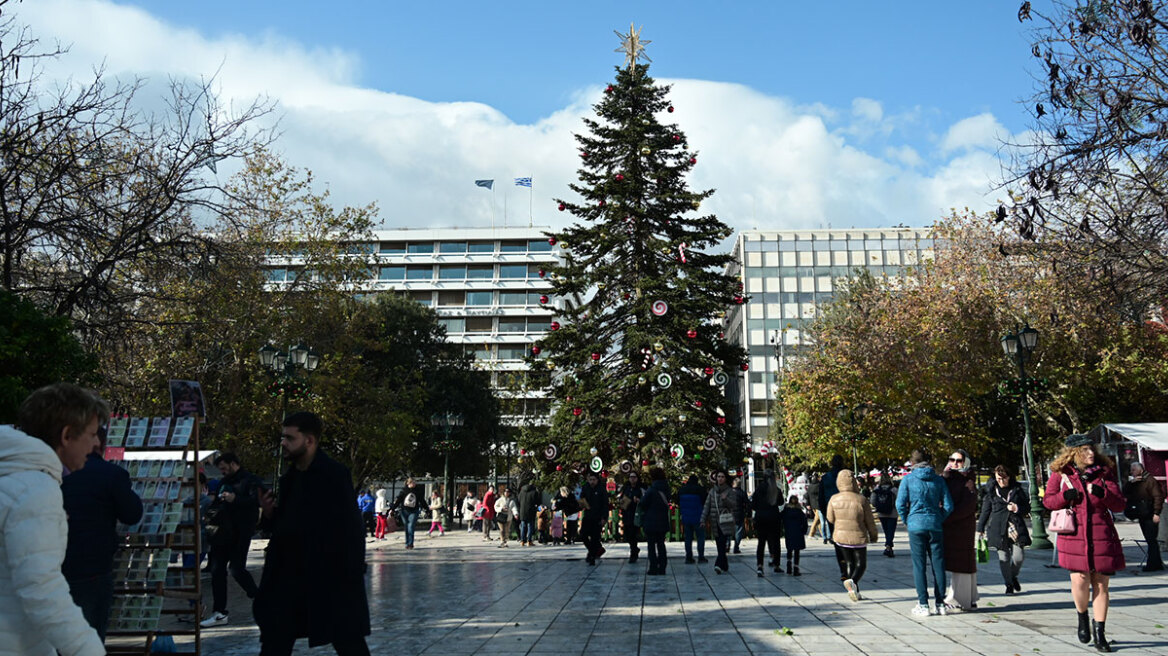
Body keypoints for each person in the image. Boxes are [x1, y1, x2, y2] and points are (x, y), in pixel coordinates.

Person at [2, 383, 108, 655]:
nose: (96, 444)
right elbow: (42, 589)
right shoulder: (35, 489)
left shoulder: (14, 476)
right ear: (66, 435)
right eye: (92, 434)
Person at [253, 411, 370, 655]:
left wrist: (349, 572)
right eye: (282, 437)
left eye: (289, 438)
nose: (283, 443)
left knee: (348, 640)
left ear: (309, 440)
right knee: (275, 640)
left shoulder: (334, 475)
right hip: (288, 579)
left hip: (328, 577)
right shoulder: (290, 479)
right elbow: (285, 526)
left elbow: (352, 528)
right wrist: (269, 514)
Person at [61, 421, 144, 640]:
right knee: (90, 634)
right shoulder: (111, 475)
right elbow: (132, 514)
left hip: (55, 563)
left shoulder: (53, 470)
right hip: (93, 565)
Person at [1043, 434, 1125, 652]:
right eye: (1085, 450)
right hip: (1074, 535)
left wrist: (1102, 493)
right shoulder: (1061, 474)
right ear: (1074, 453)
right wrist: (1065, 496)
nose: (1090, 453)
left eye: (1091, 449)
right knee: (1079, 580)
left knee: (1101, 583)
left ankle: (1100, 633)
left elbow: (1119, 505)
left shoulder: (1104, 472)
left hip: (1101, 534)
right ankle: (1082, 616)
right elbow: (1048, 502)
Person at [202, 452, 263, 628]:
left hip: (240, 532)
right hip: (222, 534)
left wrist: (235, 499)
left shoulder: (250, 480)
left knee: (237, 569)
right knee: (217, 571)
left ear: (233, 464)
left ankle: (260, 599)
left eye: (223, 468)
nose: (221, 471)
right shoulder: (224, 482)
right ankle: (219, 612)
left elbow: (256, 501)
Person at [896, 448, 954, 617]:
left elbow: (900, 504)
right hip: (935, 524)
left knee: (919, 565)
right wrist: (938, 517)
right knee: (938, 564)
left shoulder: (908, 480)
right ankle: (940, 603)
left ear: (912, 463)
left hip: (916, 525)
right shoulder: (938, 480)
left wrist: (909, 520)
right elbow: (949, 506)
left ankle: (923, 604)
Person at [978, 465, 1031, 596]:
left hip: (1015, 527)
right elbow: (985, 511)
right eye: (998, 479)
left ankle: (1013, 576)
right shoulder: (992, 492)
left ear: (1009, 477)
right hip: (998, 528)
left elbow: (1027, 507)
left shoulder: (1017, 489)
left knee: (1019, 557)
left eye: (1004, 478)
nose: (1001, 481)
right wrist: (980, 529)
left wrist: (1017, 508)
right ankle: (1008, 584)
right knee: (1004, 558)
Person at [827, 469, 879, 601]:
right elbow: (869, 520)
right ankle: (854, 582)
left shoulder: (833, 499)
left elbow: (830, 519)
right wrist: (873, 535)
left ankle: (854, 590)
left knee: (849, 563)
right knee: (861, 564)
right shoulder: (861, 499)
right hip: (858, 536)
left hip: (840, 536)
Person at [941, 449, 979, 612]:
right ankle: (968, 598)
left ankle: (959, 599)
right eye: (952, 460)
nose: (955, 463)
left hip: (962, 527)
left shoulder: (968, 480)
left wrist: (947, 517)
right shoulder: (950, 478)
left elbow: (967, 507)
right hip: (953, 527)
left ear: (966, 462)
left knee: (962, 563)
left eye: (959, 460)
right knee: (961, 563)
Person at [1123, 461, 1164, 572]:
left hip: (1150, 514)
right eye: (1131, 470)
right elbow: (1125, 493)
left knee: (1151, 540)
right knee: (1150, 539)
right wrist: (1130, 482)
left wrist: (1156, 512)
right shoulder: (1135, 482)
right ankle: (1157, 562)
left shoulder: (1150, 480)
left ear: (1140, 469)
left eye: (1134, 470)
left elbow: (1158, 496)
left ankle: (1153, 564)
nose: (1132, 472)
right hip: (1142, 514)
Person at [702, 470, 740, 574]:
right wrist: (703, 519)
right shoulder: (712, 491)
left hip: (725, 521)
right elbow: (707, 506)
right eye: (718, 476)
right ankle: (724, 564)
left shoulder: (730, 491)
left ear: (725, 478)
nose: (720, 478)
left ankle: (718, 564)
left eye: (722, 477)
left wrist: (725, 499)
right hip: (715, 521)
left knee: (723, 543)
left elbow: (734, 505)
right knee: (719, 544)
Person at [751, 469, 783, 577]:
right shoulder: (776, 490)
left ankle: (760, 566)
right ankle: (776, 564)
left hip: (761, 518)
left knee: (761, 543)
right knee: (776, 542)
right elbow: (781, 502)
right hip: (774, 517)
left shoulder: (759, 489)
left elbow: (753, 505)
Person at [640, 467, 671, 575]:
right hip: (662, 520)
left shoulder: (651, 490)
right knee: (661, 544)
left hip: (651, 521)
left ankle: (653, 567)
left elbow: (643, 504)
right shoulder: (666, 488)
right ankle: (662, 566)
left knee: (651, 545)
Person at [819, 455, 847, 578]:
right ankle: (848, 561)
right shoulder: (847, 476)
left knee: (836, 539)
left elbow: (820, 498)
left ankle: (843, 567)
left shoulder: (825, 478)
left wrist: (825, 512)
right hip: (846, 510)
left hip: (831, 511)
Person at [579, 472, 609, 564]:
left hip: (598, 517)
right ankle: (595, 550)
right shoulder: (586, 488)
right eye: (590, 479)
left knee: (594, 538)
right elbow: (581, 498)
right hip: (588, 516)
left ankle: (591, 556)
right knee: (583, 535)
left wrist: (604, 517)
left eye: (594, 480)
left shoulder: (601, 489)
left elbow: (605, 504)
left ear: (597, 480)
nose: (592, 482)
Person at [677, 474, 708, 564]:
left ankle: (688, 557)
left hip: (686, 517)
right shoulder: (700, 489)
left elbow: (678, 501)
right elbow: (705, 501)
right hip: (698, 517)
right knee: (700, 537)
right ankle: (701, 556)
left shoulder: (682, 490)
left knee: (688, 538)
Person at [618, 471, 646, 563]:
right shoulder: (626, 488)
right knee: (628, 535)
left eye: (634, 477)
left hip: (636, 514)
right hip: (627, 513)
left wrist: (638, 500)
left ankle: (633, 553)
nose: (632, 479)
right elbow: (620, 499)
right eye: (631, 477)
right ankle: (634, 549)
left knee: (633, 534)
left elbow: (645, 499)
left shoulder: (641, 488)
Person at [871, 474, 899, 557]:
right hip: (892, 513)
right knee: (891, 530)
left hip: (881, 513)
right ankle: (889, 545)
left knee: (886, 530)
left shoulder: (876, 489)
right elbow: (899, 500)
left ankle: (888, 545)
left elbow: (872, 501)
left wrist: (879, 506)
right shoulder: (894, 489)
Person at [393, 477, 424, 549]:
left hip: (414, 511)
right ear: (408, 483)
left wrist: (427, 509)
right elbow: (398, 500)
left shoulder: (417, 491)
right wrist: (392, 508)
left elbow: (422, 500)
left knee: (411, 526)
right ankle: (407, 543)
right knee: (406, 527)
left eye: (415, 482)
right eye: (413, 482)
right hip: (404, 511)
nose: (414, 484)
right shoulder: (404, 491)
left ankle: (410, 543)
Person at [780, 495, 808, 575]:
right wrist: (803, 531)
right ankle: (796, 567)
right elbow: (804, 522)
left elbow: (781, 519)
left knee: (789, 549)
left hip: (789, 532)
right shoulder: (799, 511)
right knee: (797, 551)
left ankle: (789, 565)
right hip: (798, 532)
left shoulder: (786, 511)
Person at [517, 479, 541, 547]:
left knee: (523, 526)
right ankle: (529, 541)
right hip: (531, 511)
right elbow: (538, 502)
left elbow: (518, 501)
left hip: (522, 511)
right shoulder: (534, 492)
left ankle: (522, 541)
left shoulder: (521, 492)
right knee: (530, 526)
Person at [731, 477, 750, 554]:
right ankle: (736, 547)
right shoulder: (742, 493)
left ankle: (727, 545)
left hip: (730, 513)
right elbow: (747, 504)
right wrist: (748, 513)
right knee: (739, 531)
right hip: (739, 513)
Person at [807, 473, 827, 542]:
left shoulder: (810, 486)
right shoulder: (819, 486)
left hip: (813, 505)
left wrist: (808, 504)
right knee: (817, 519)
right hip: (818, 505)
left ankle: (823, 534)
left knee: (818, 520)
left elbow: (807, 495)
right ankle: (811, 534)